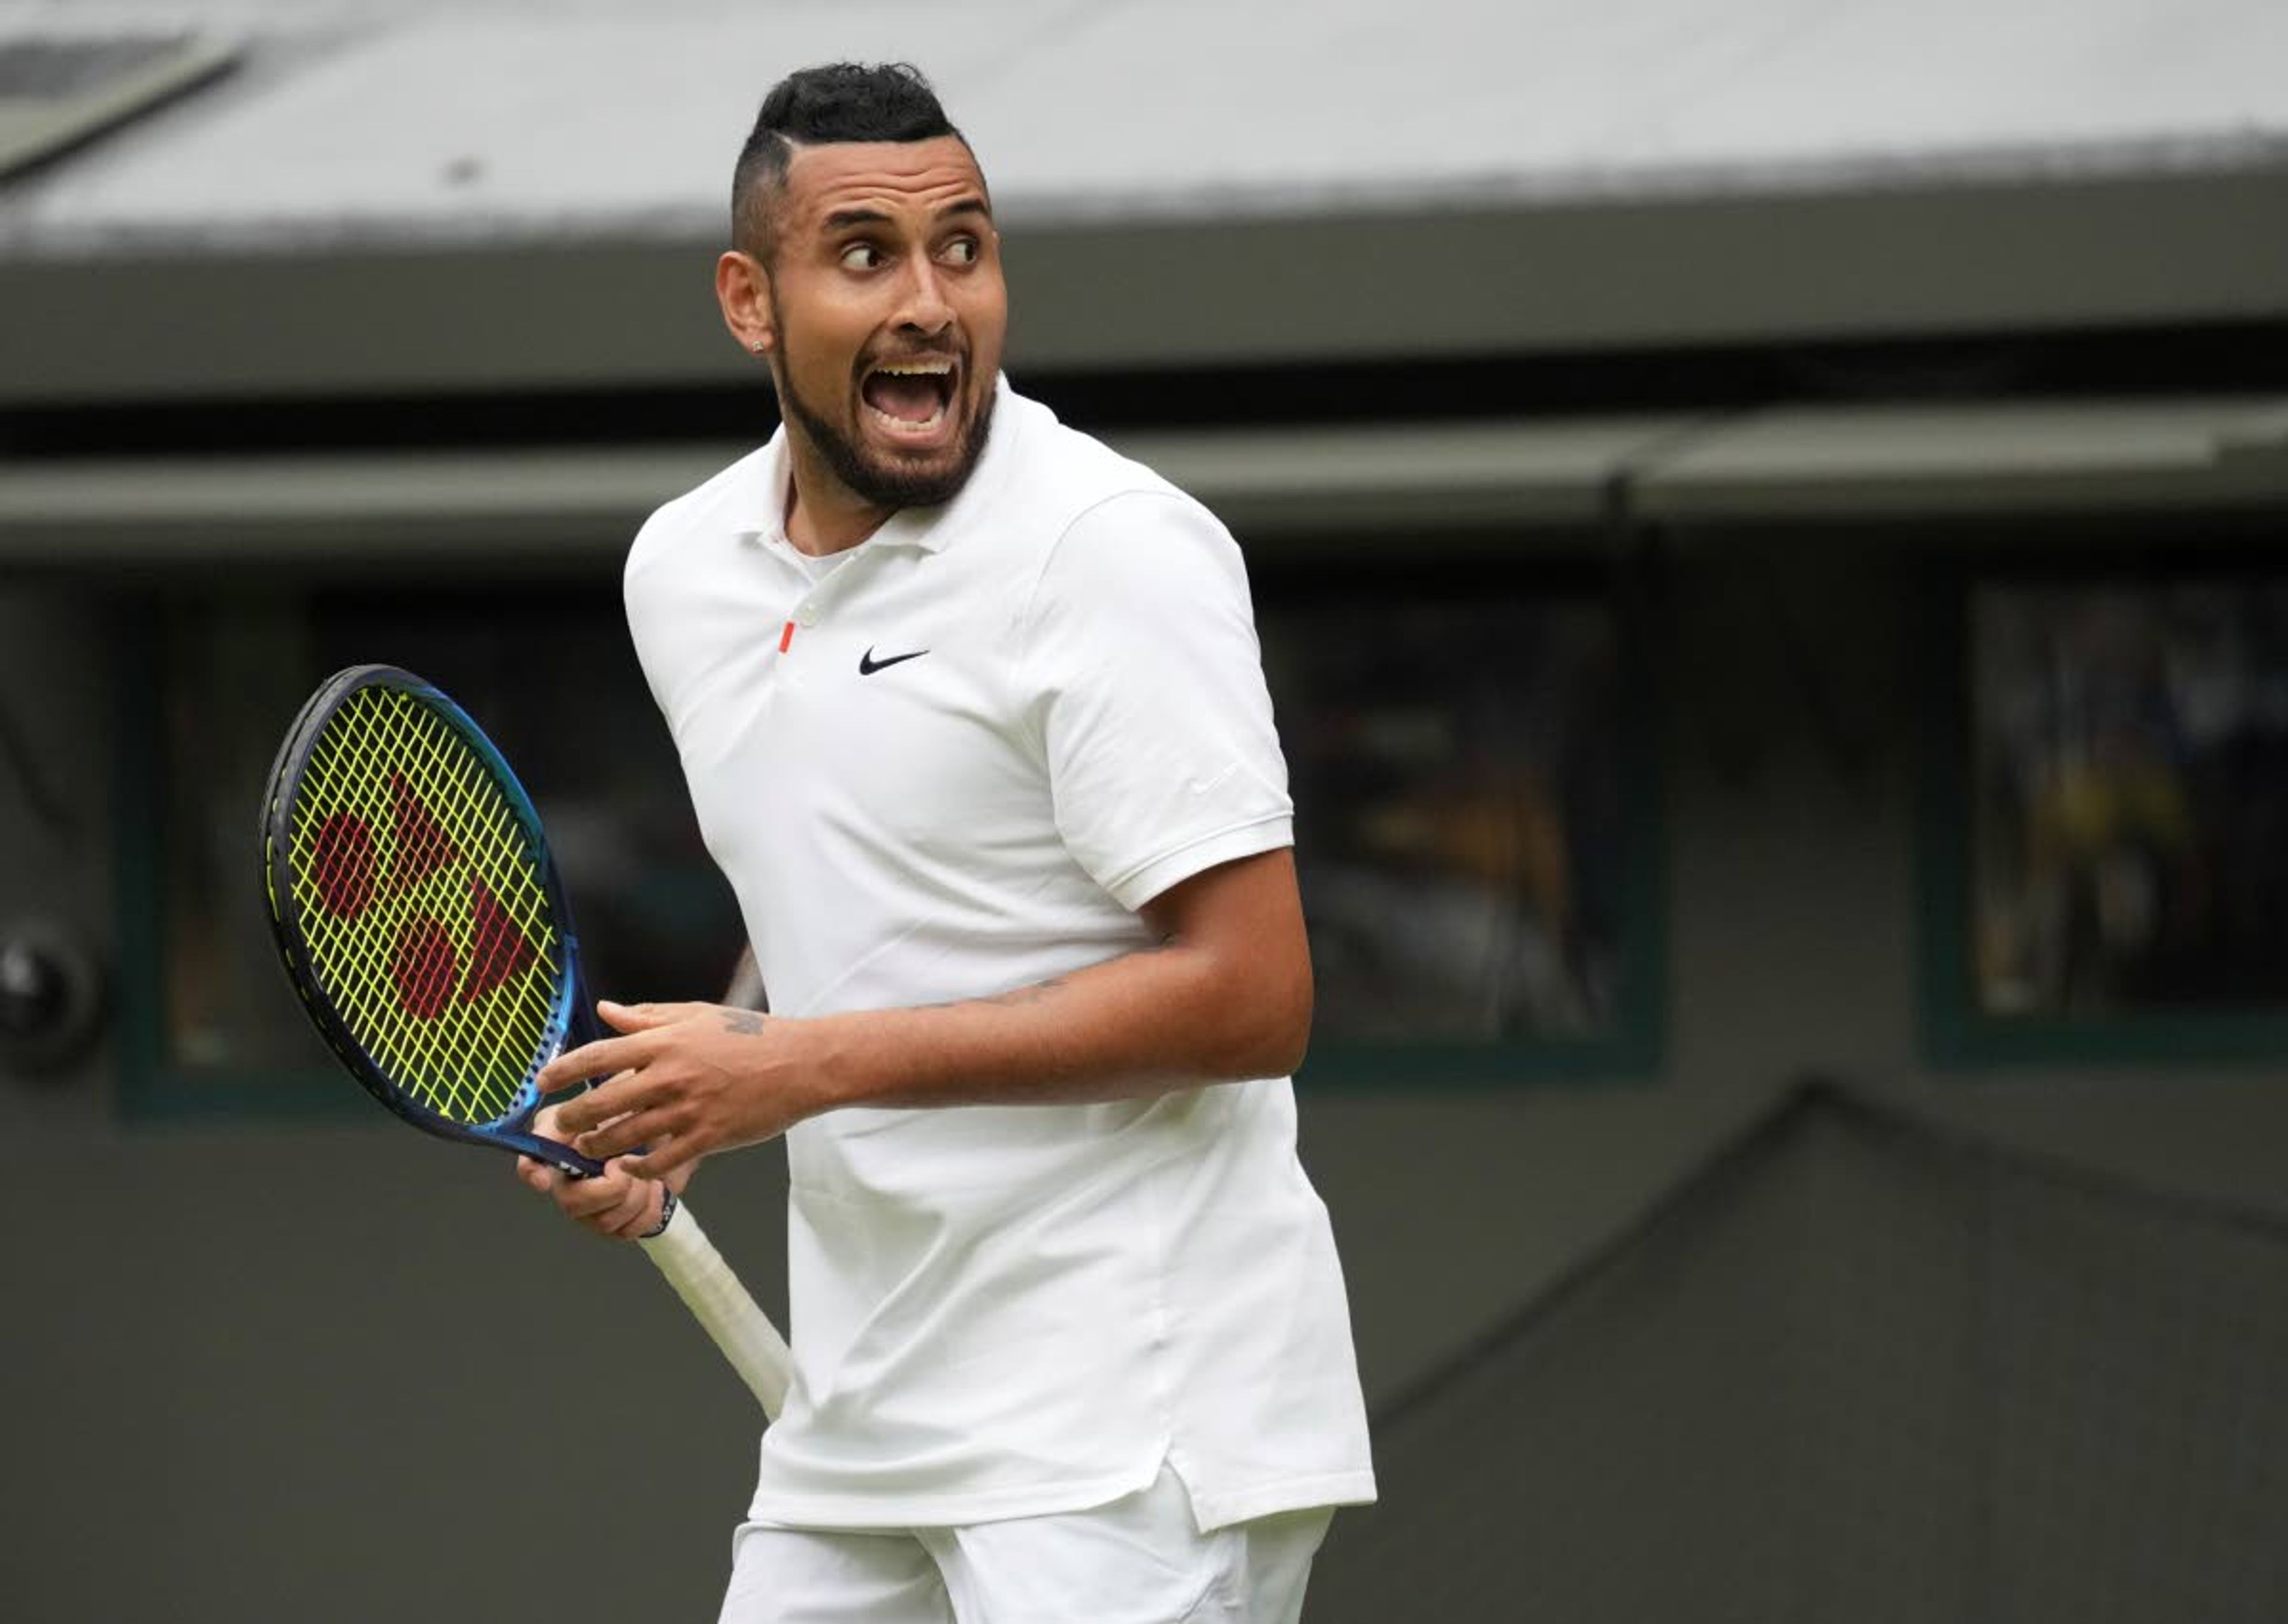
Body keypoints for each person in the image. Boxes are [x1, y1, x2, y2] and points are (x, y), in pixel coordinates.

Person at [516, 61, 1375, 1623]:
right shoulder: (685, 572)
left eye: (962, 249)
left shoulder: (1109, 554)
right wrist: (690, 1100)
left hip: (1136, 1432)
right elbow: (840, 895)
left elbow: (1255, 1000)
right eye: (864, 255)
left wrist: (800, 1068)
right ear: (749, 301)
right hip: (862, 1431)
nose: (930, 302)